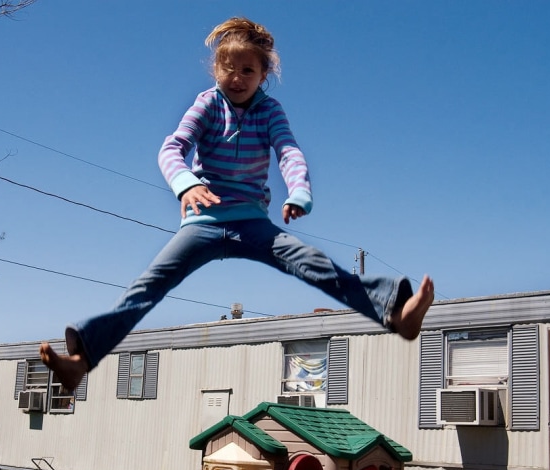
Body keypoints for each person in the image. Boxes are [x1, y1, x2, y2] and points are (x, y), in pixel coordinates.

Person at [41, 16, 434, 393]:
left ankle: (396, 314)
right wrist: (185, 185)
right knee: (150, 284)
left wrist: (299, 191)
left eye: (249, 71)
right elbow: (172, 147)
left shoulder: (270, 111)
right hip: (203, 220)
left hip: (250, 221)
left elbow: (289, 152)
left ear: (264, 75)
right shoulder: (208, 103)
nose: (238, 78)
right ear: (216, 70)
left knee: (312, 262)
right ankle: (81, 361)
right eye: (229, 68)